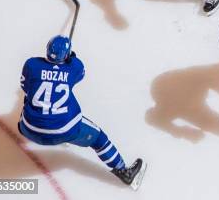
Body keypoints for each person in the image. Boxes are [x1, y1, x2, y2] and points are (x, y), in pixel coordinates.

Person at [18, 36, 147, 190]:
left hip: (29, 130)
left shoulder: (31, 64)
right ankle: (123, 171)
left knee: (28, 102)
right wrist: (71, 58)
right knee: (99, 139)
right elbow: (80, 71)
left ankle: (45, 130)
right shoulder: (74, 68)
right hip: (64, 129)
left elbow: (25, 87)